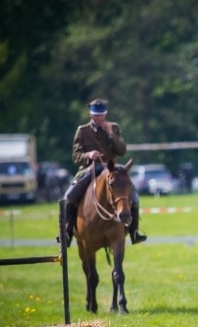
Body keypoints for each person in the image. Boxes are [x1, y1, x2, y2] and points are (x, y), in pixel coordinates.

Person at [58, 99, 146, 246]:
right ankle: (67, 231)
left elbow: (122, 151)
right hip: (89, 169)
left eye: (102, 115)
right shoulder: (82, 131)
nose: (100, 118)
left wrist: (111, 134)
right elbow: (76, 157)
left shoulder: (114, 127)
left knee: (134, 197)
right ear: (91, 115)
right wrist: (88, 155)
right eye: (96, 115)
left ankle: (134, 231)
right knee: (69, 197)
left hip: (111, 169)